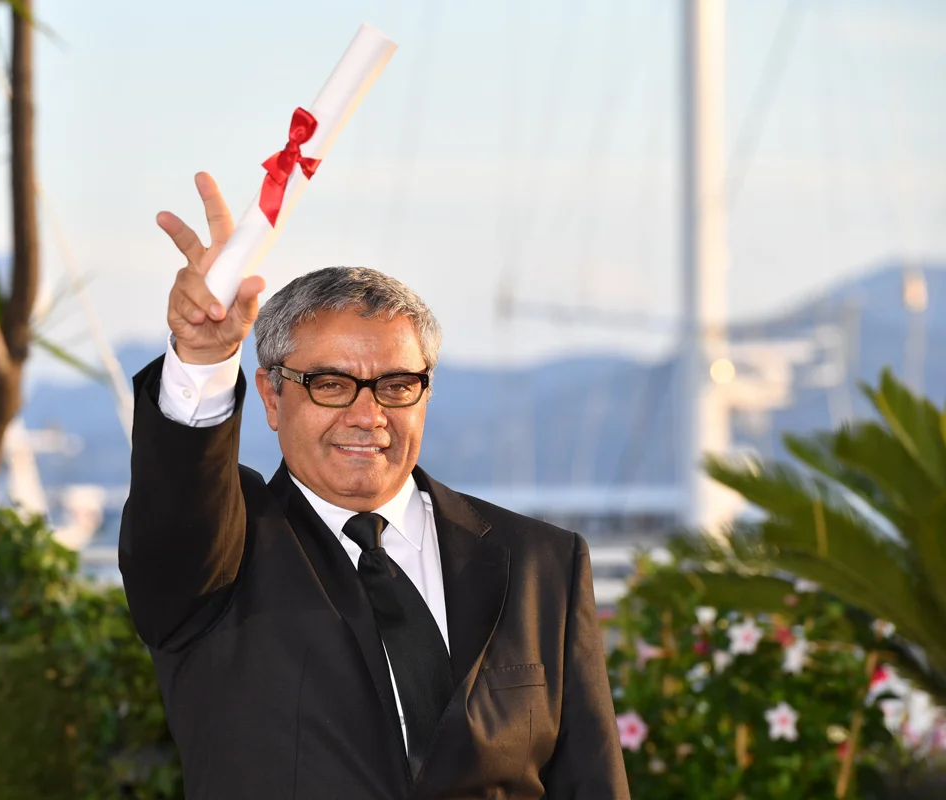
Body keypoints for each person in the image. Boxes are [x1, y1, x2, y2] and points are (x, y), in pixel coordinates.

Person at [119, 173, 630, 800]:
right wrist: (202, 356)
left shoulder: (541, 562)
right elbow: (178, 499)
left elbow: (590, 780)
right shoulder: (219, 555)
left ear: (426, 393)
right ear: (272, 397)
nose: (369, 415)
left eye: (396, 385)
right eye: (331, 385)